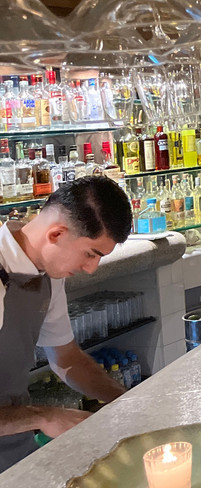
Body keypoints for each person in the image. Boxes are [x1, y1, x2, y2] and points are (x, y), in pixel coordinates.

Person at [0, 176, 132, 472]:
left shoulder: (47, 275)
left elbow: (67, 359)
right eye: (90, 254)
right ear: (57, 234)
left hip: (15, 450)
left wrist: (126, 401)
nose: (91, 268)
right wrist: (43, 416)